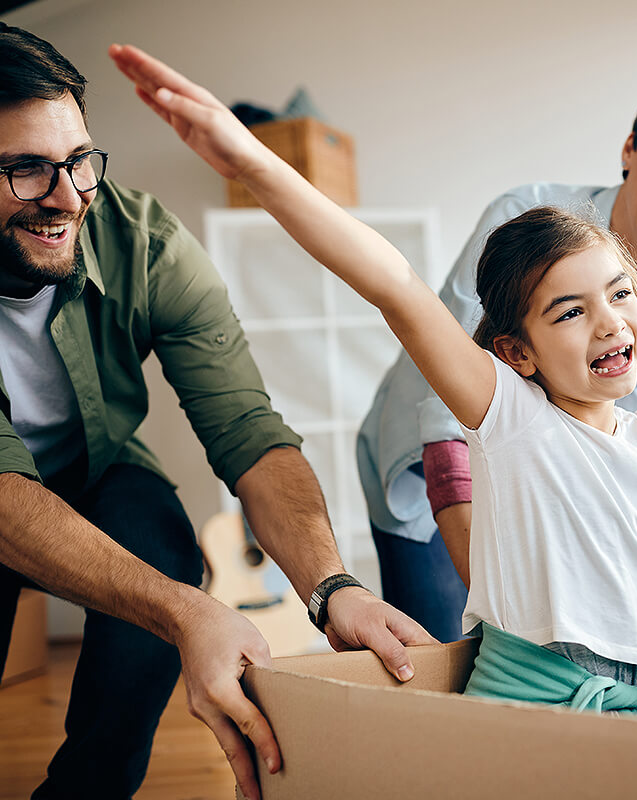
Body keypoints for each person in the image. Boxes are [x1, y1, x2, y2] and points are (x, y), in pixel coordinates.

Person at [110, 43, 637, 715]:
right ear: (514, 353)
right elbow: (395, 287)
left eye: (623, 296)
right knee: (429, 668)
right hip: (524, 692)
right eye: (569, 311)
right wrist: (254, 164)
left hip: (627, 704)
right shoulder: (511, 414)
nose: (610, 323)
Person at [0, 26, 435, 800]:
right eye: (27, 171)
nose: (67, 198)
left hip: (96, 467)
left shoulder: (147, 245)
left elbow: (249, 433)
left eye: (76, 162)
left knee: (162, 543)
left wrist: (335, 588)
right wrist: (185, 614)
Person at [358, 67, 637, 643]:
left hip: (549, 466)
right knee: (443, 656)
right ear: (631, 148)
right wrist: (492, 583)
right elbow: (447, 392)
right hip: (432, 454)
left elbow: (623, 435)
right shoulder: (522, 215)